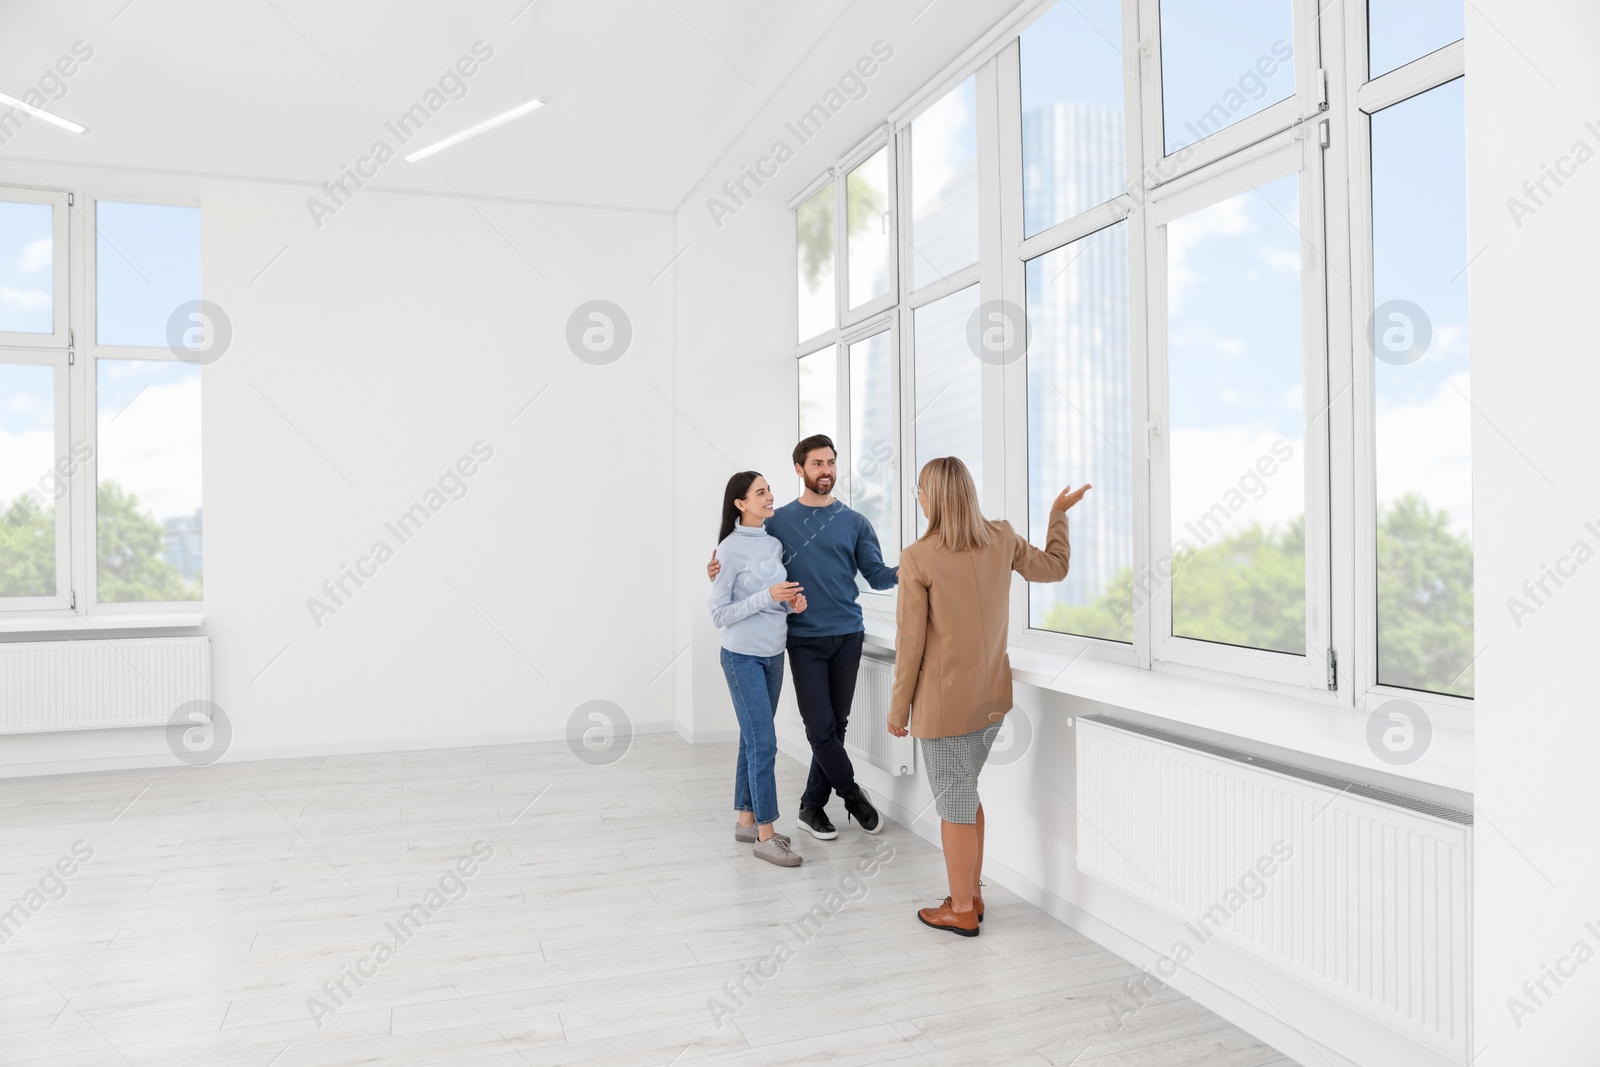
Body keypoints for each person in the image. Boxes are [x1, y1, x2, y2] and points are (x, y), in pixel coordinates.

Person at [888, 456, 1088, 936]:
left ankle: (960, 911)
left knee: (953, 804)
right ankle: (970, 895)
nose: (918, 497)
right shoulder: (1001, 537)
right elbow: (1055, 568)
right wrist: (1058, 515)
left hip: (944, 706)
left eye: (920, 490)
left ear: (932, 497)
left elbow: (910, 643)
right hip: (992, 700)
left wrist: (898, 710)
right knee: (965, 795)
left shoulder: (918, 556)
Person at [708, 435, 896, 840]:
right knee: (819, 728)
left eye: (830, 462)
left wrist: (915, 566)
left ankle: (811, 805)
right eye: (816, 463)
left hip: (848, 633)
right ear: (800, 469)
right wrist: (715, 567)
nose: (825, 470)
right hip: (802, 638)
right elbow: (742, 554)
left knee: (837, 725)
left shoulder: (855, 522)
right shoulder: (777, 523)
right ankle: (852, 795)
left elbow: (878, 576)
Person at [709, 471, 808, 868]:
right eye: (761, 492)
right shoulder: (729, 550)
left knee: (752, 740)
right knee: (764, 743)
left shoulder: (772, 543)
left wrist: (788, 603)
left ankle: (746, 821)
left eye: (769, 490)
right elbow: (719, 614)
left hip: (773, 654)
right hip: (741, 656)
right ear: (741, 503)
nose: (770, 497)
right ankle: (767, 836)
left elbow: (772, 598)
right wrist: (767, 595)